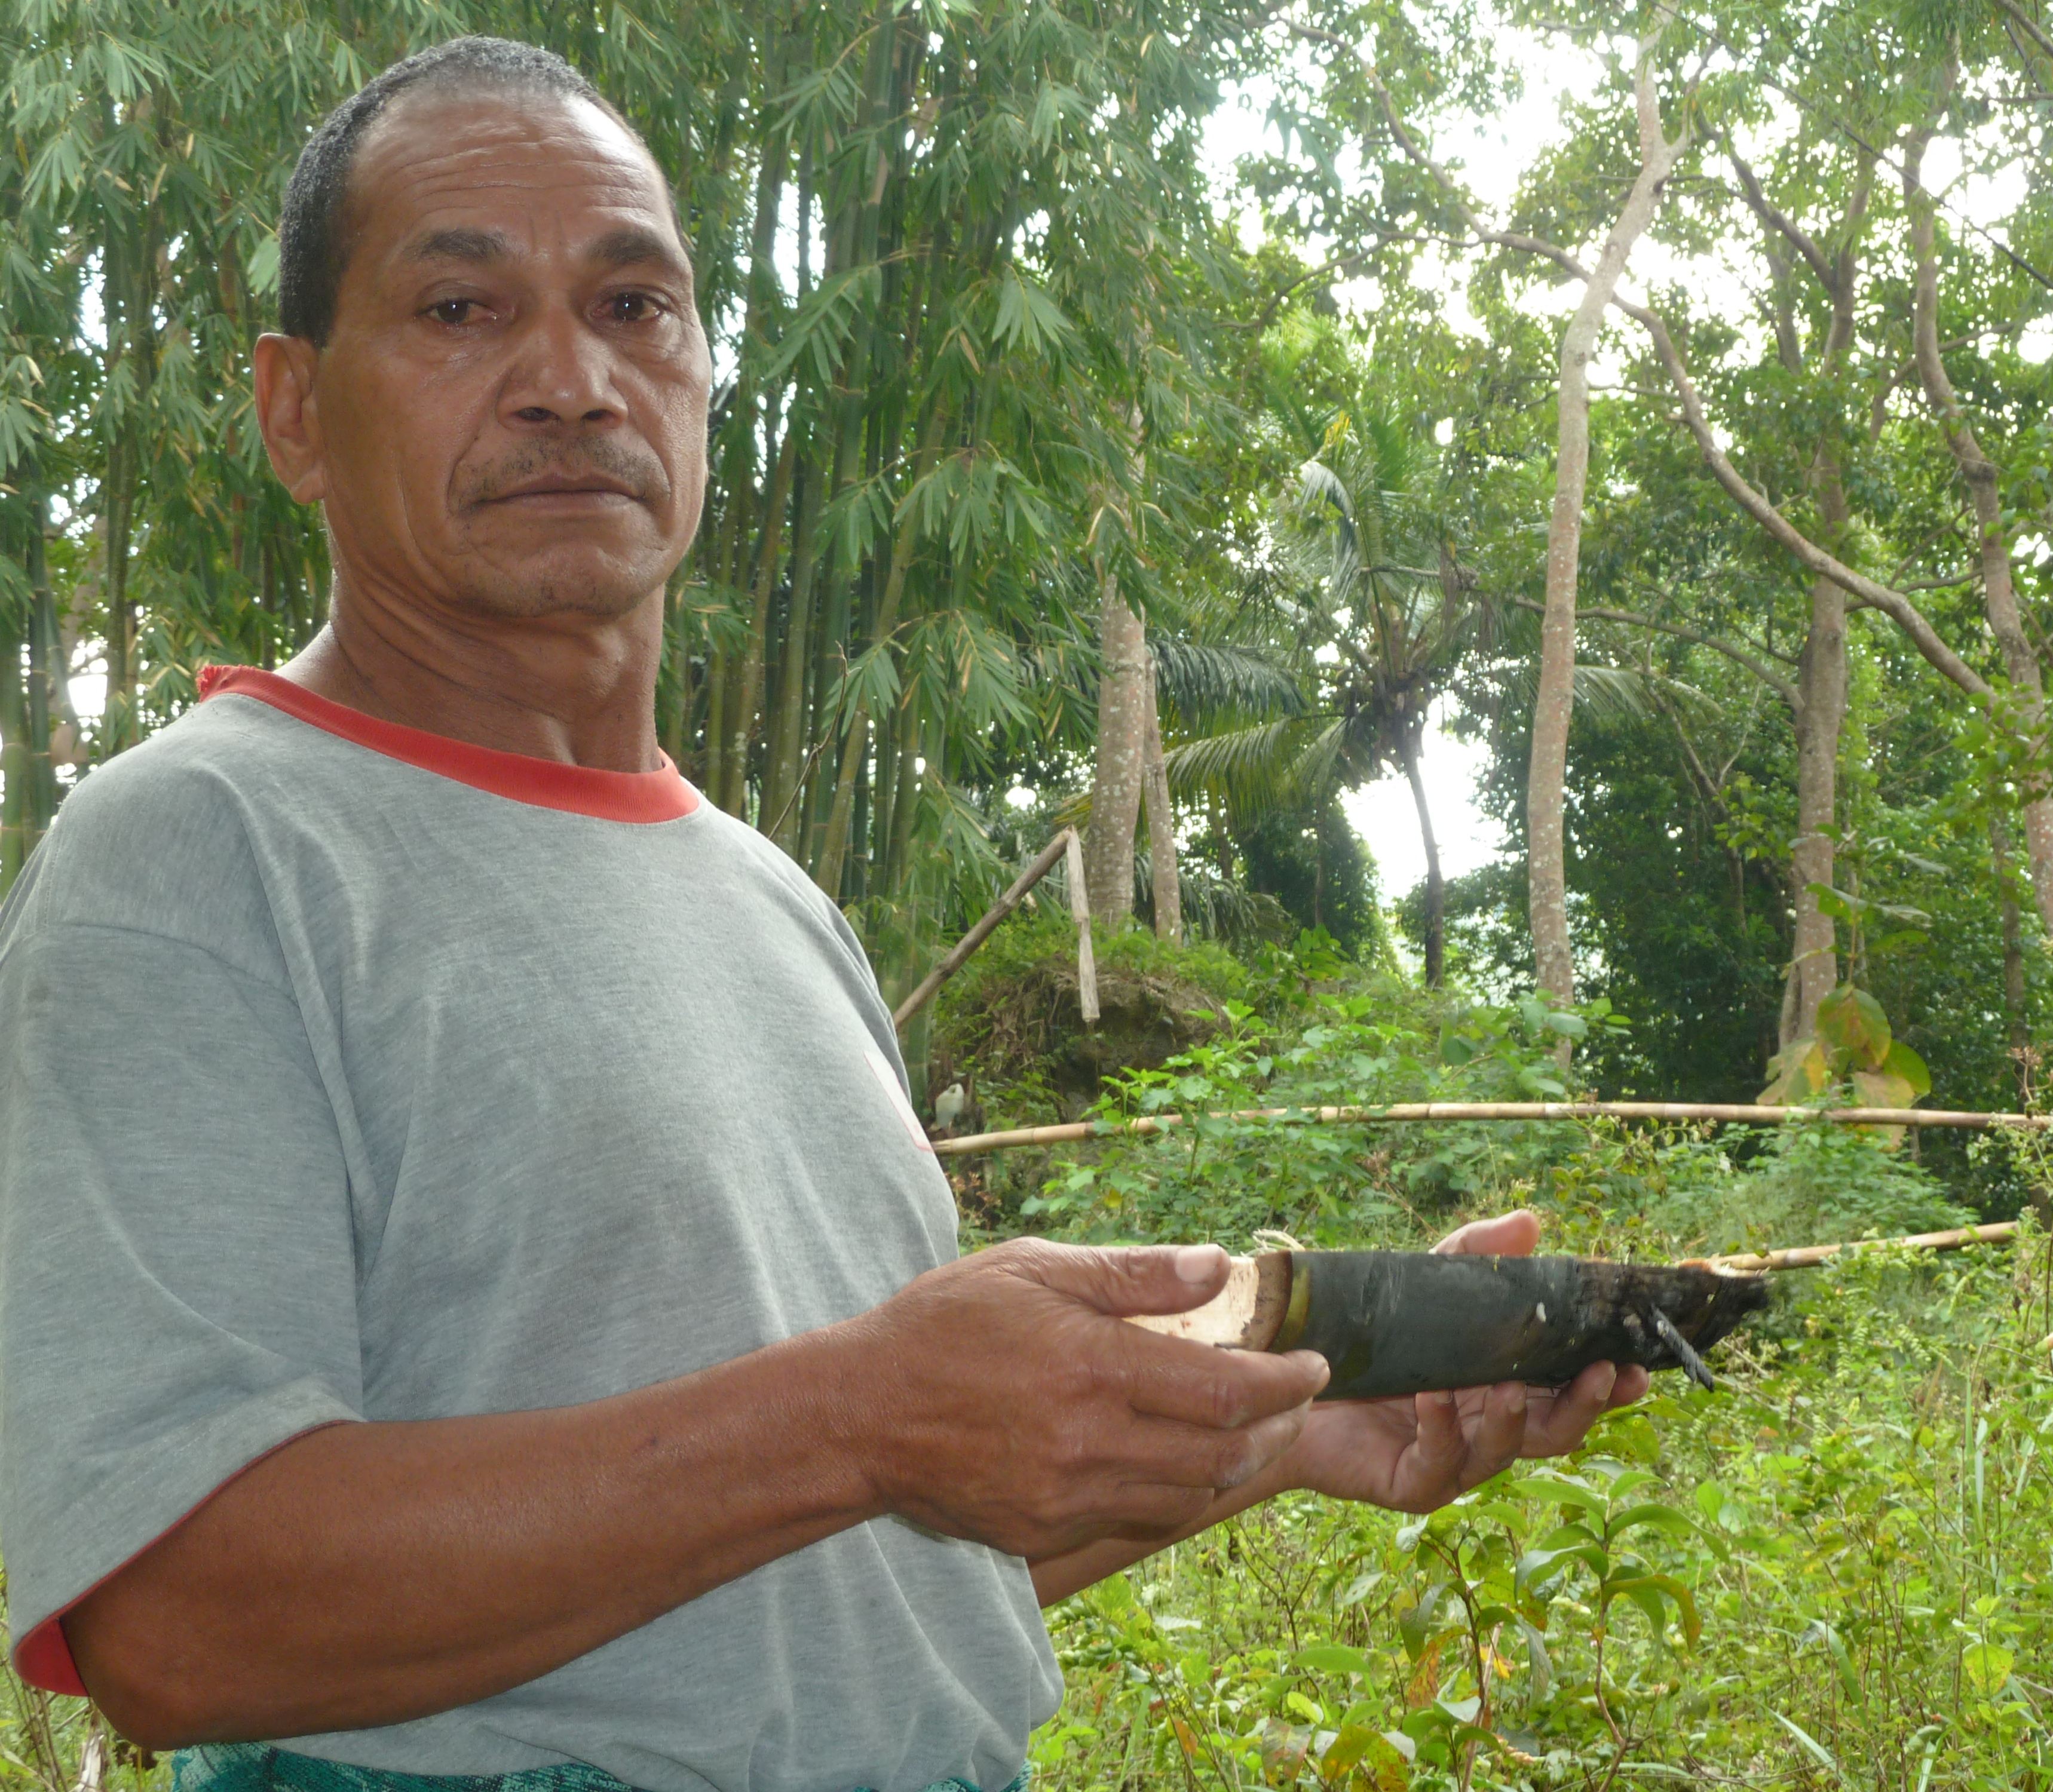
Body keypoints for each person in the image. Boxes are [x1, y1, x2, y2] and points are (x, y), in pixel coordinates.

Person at [0, 37, 1648, 1792]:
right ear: (293, 410)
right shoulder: (200, 851)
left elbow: (830, 1577)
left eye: (635, 306)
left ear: (704, 376)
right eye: (461, 310)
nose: (572, 382)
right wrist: (858, 1412)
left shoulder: (770, 899)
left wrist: (1291, 1430)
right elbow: (179, 1619)